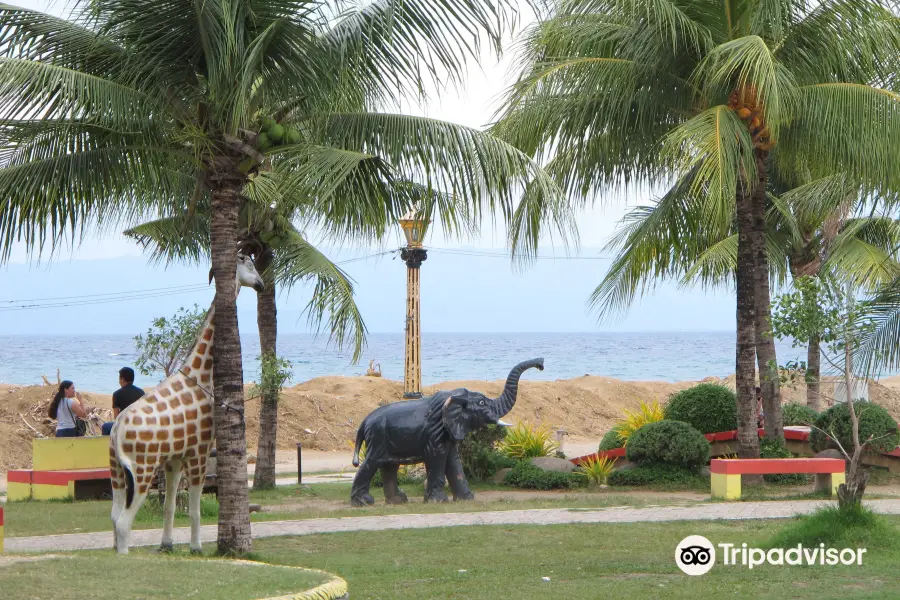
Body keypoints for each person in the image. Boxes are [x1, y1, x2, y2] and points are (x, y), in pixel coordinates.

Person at [101, 367, 145, 435]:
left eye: (119, 378)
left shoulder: (117, 394)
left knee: (105, 427)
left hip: (124, 425)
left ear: (122, 379)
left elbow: (116, 417)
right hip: (139, 424)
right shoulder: (141, 392)